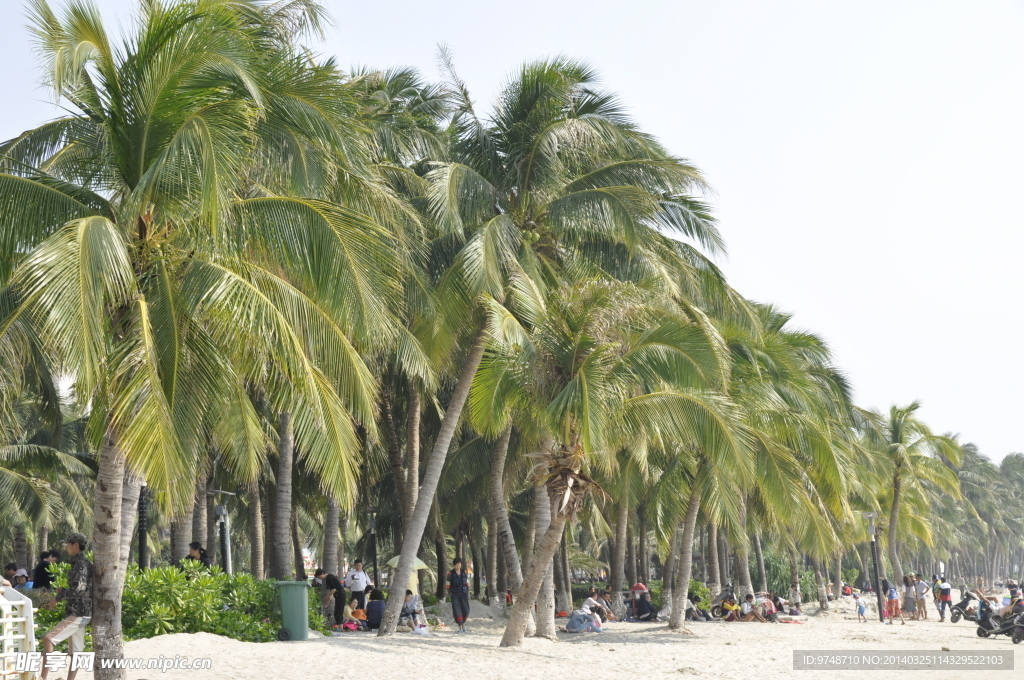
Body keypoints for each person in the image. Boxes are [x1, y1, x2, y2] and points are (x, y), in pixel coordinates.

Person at [40, 533, 93, 680]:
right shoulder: (81, 563)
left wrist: (57, 598)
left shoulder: (81, 564)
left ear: (76, 545)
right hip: (81, 612)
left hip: (78, 613)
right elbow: (80, 588)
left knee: (48, 639)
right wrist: (64, 592)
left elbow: (78, 589)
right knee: (75, 652)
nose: (66, 547)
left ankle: (42, 678)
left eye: (68, 544)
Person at [447, 557, 471, 634]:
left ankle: (463, 625)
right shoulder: (450, 574)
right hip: (455, 595)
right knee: (457, 611)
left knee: (466, 610)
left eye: (459, 564)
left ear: (461, 564)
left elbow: (467, 583)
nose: (458, 566)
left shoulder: (464, 572)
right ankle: (460, 627)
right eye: (457, 565)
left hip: (464, 594)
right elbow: (447, 586)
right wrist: (451, 594)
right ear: (454, 565)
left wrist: (467, 591)